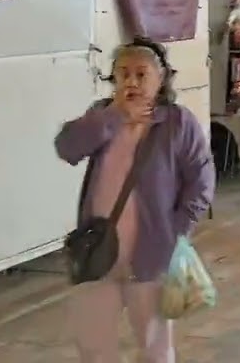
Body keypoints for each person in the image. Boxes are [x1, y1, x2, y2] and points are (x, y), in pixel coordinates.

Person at [56, 37, 216, 362]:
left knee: (154, 346)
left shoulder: (176, 122)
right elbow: (68, 147)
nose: (131, 82)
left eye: (141, 74)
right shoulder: (102, 115)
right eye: (123, 73)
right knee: (93, 346)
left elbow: (201, 182)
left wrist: (177, 233)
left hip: (151, 254)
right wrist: (115, 116)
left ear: (160, 80)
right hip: (98, 254)